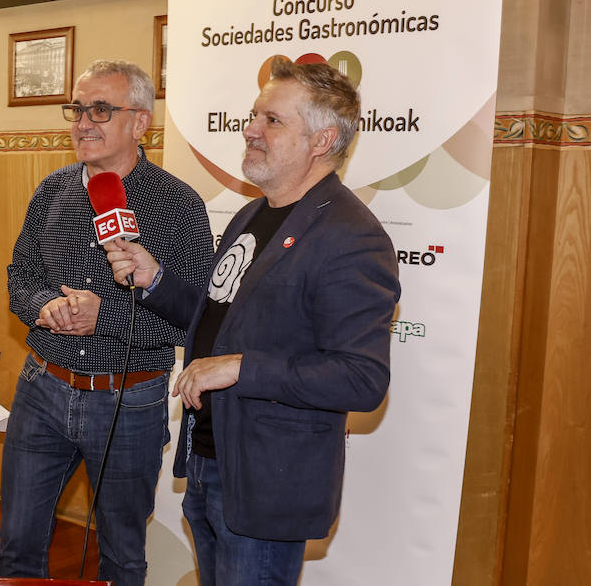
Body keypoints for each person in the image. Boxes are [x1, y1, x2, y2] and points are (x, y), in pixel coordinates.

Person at [106, 57, 401, 585]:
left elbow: (362, 378)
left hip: (266, 485)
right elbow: (219, 319)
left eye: (272, 120)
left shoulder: (351, 235)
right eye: (254, 115)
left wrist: (242, 368)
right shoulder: (253, 212)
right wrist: (155, 281)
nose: (250, 130)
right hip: (208, 462)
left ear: (321, 139)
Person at [1, 60, 214, 585]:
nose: (83, 123)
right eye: (77, 109)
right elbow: (19, 278)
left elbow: (193, 318)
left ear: (141, 123)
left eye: (101, 109)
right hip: (42, 387)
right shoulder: (52, 191)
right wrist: (43, 307)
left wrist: (105, 317)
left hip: (129, 398)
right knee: (17, 546)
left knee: (121, 553)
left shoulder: (178, 205)